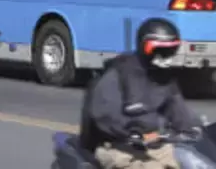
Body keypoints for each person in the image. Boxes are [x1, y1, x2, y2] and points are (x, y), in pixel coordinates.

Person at [79, 19, 201, 169]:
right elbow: (105, 115)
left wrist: (193, 127)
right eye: (160, 50)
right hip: (118, 148)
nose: (166, 56)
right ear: (144, 47)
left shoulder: (164, 78)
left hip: (157, 147)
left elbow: (178, 109)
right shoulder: (119, 74)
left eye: (171, 50)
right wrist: (132, 133)